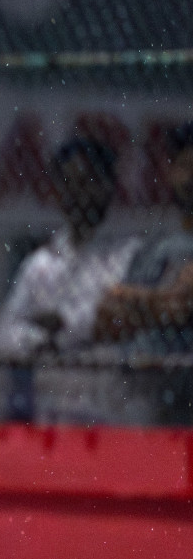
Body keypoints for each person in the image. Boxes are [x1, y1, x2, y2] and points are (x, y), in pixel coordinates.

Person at [0, 137, 141, 424]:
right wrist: (39, 338)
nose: (78, 193)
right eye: (68, 183)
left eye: (88, 182)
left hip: (112, 415)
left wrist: (62, 324)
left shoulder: (128, 257)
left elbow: (116, 319)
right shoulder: (40, 264)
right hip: (52, 413)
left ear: (109, 188)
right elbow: (5, 334)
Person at [94, 122, 193, 424]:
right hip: (145, 397)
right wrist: (163, 303)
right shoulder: (152, 247)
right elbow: (108, 316)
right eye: (185, 166)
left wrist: (138, 306)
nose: (190, 178)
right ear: (171, 172)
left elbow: (181, 307)